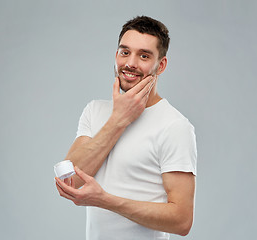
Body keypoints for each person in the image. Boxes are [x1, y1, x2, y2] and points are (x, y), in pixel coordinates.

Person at [55, 16, 197, 240]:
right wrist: (118, 120)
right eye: (124, 52)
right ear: (116, 56)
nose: (130, 63)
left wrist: (105, 200)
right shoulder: (95, 111)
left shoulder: (174, 126)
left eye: (144, 56)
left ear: (161, 65)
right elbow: (70, 182)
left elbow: (182, 220)